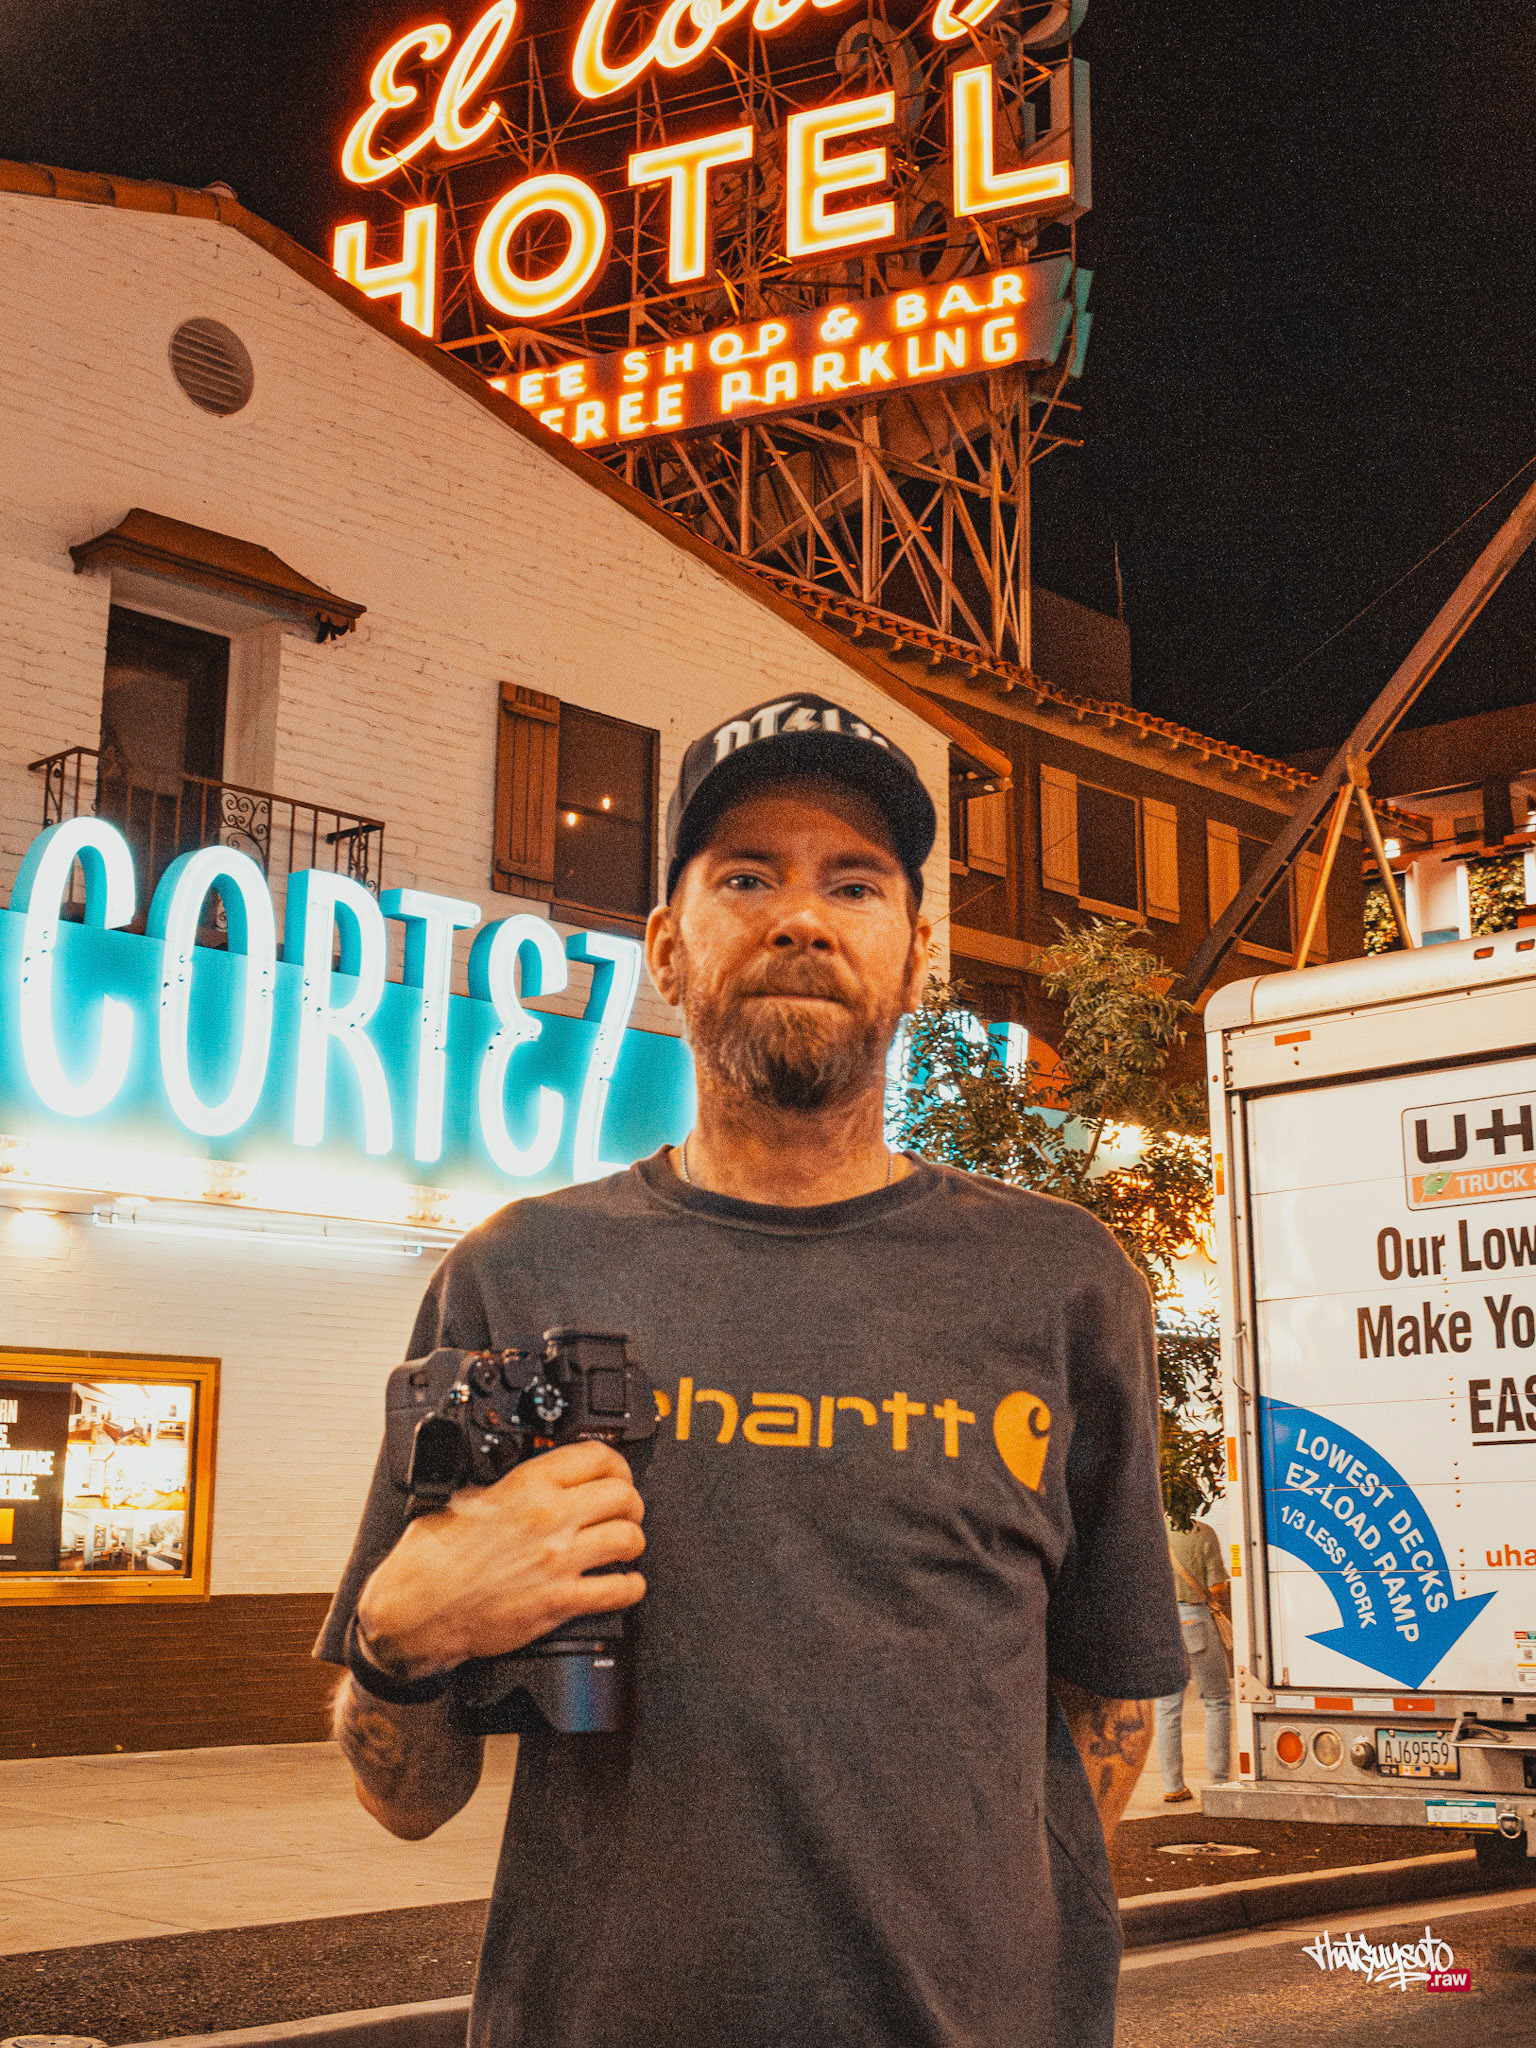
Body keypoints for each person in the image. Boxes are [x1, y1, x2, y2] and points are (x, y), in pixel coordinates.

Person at [315, 692, 1188, 2048]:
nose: (801, 918)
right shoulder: (520, 1273)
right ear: (667, 947)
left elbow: (1106, 1696)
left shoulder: (1060, 1282)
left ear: (920, 956)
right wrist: (396, 1637)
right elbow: (408, 1798)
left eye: (855, 882)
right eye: (745, 878)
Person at [1154, 1512, 1232, 1803]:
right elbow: (1217, 1585)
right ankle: (1219, 1781)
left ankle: (1173, 1786)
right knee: (1216, 1701)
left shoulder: (1153, 1530)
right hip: (1195, 1619)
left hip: (1162, 1622)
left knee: (1167, 1708)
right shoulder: (1203, 1532)